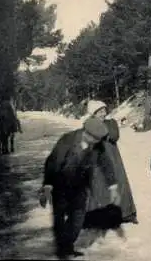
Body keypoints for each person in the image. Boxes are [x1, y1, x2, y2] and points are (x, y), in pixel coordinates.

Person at [39, 117, 121, 259]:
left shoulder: (97, 145)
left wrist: (113, 187)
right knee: (59, 218)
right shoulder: (68, 140)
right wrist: (47, 185)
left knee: (77, 219)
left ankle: (67, 246)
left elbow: (105, 164)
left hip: (80, 185)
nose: (98, 143)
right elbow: (53, 162)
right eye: (96, 139)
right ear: (87, 133)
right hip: (60, 183)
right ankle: (62, 251)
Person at [89, 105, 138, 225]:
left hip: (112, 157)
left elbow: (114, 136)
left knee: (119, 182)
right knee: (99, 184)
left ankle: (126, 214)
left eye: (103, 110)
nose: (102, 113)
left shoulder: (111, 123)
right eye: (99, 111)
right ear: (93, 113)